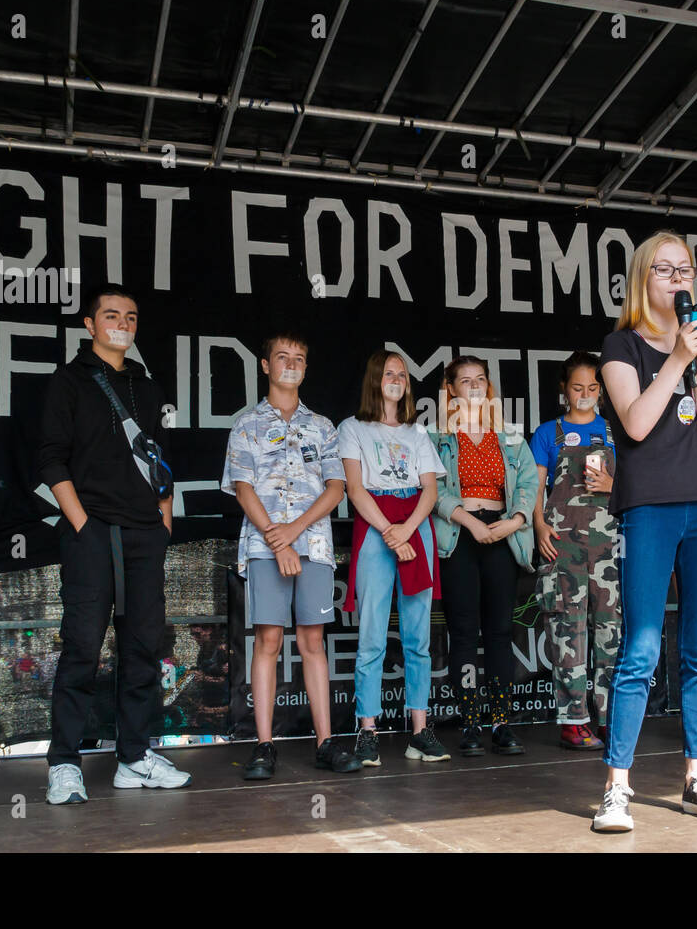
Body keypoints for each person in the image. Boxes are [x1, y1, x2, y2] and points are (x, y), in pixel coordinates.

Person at [592, 229, 697, 832]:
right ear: (643, 279)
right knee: (643, 647)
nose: (679, 279)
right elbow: (635, 422)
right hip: (650, 505)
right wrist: (677, 357)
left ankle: (696, 777)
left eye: (686, 269)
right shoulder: (620, 345)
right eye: (665, 269)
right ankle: (617, 787)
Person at [37, 284, 190, 805]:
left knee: (143, 647)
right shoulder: (69, 381)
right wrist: (81, 522)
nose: (122, 323)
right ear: (89, 324)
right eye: (111, 315)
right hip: (91, 533)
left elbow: (161, 460)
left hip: (144, 533)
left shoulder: (146, 387)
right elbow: (51, 459)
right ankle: (63, 762)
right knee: (82, 645)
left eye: (130, 316)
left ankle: (134, 757)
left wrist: (163, 520)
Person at [222, 333, 360, 780]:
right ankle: (264, 745)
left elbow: (337, 487)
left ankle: (325, 743)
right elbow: (242, 487)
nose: (291, 363)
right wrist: (276, 540)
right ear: (265, 365)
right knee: (268, 641)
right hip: (265, 546)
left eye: (299, 357)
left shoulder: (322, 426)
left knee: (312, 642)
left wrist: (295, 533)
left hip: (314, 545)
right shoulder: (246, 424)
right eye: (282, 356)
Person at [339, 350, 449, 766]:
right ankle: (367, 730)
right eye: (389, 373)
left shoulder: (417, 433)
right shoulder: (352, 428)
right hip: (375, 526)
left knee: (418, 638)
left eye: (402, 374)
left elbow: (431, 491)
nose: (397, 379)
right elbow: (355, 489)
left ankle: (419, 732)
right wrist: (390, 531)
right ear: (375, 379)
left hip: (415, 525)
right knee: (371, 637)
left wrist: (406, 531)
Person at [432, 356, 538, 757]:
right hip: (460, 534)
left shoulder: (508, 436)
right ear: (452, 389)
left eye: (480, 379)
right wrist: (467, 520)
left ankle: (501, 722)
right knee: (463, 633)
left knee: (498, 633)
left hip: (502, 532)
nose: (474, 386)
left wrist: (515, 521)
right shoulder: (437, 437)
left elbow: (529, 481)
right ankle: (471, 722)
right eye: (465, 381)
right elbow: (433, 489)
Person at [529, 351, 619, 751]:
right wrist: (539, 525)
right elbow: (534, 484)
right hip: (562, 547)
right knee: (568, 631)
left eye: (593, 387)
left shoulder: (615, 431)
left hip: (607, 549)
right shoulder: (548, 432)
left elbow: (639, 483)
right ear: (564, 389)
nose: (585, 394)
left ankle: (607, 718)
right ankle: (573, 720)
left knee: (609, 634)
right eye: (577, 387)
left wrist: (612, 487)